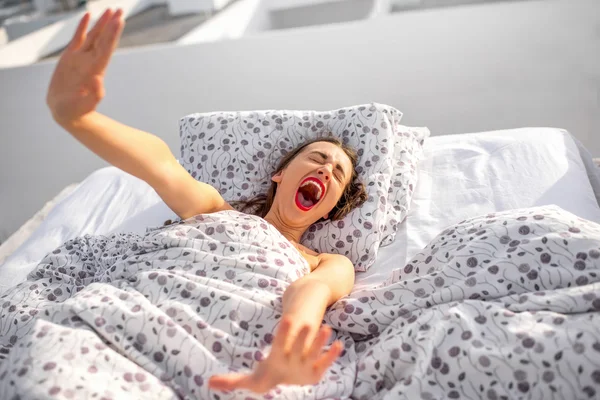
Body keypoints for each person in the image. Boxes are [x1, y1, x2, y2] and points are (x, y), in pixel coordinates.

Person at [46, 8, 367, 395]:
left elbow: (311, 291)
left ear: (329, 208)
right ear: (280, 174)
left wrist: (288, 344)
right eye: (317, 158)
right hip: (125, 322)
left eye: (338, 174)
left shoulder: (327, 261)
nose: (327, 170)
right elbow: (162, 165)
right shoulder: (215, 210)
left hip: (231, 358)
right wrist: (78, 119)